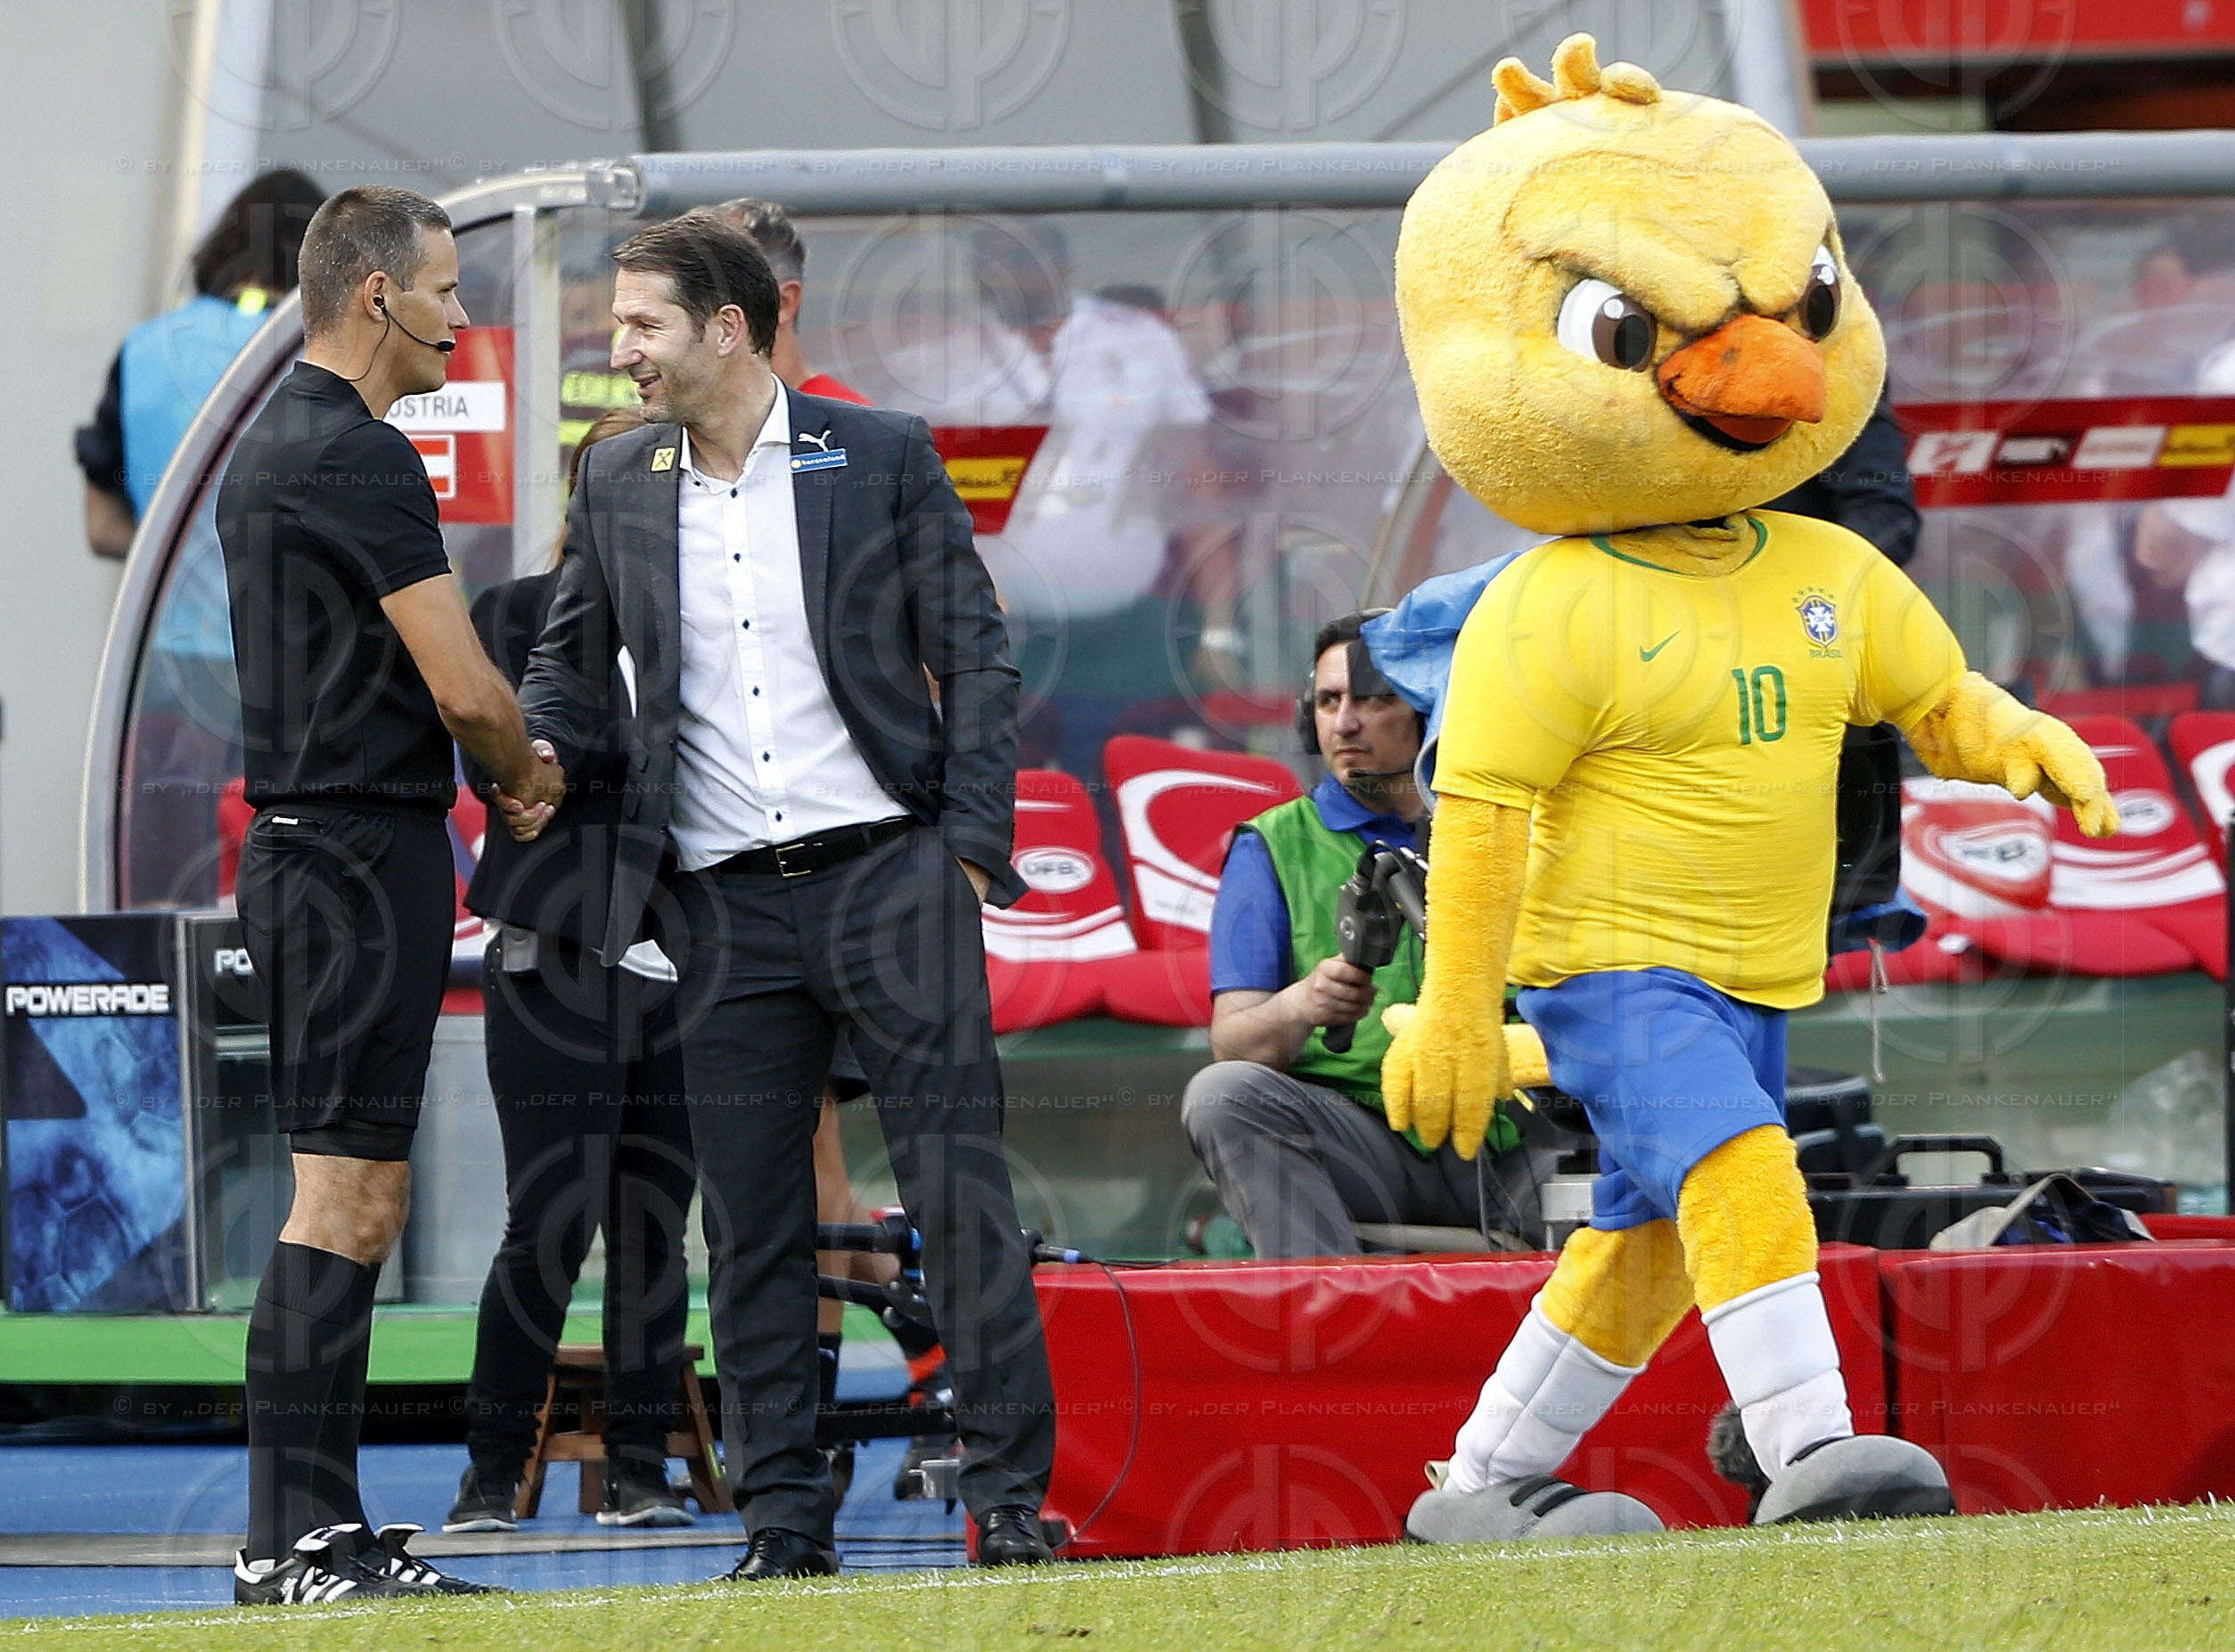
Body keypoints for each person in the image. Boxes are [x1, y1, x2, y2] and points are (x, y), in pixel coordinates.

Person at [518, 211, 1058, 1579]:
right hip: (718, 907)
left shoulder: (879, 455)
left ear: (729, 327)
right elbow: (573, 674)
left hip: (892, 878)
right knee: (750, 1225)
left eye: (641, 324)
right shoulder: (615, 474)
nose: (618, 349)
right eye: (615, 324)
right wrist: (524, 754)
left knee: (961, 1195)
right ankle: (783, 1526)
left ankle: (1009, 1504)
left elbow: (980, 660)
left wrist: (969, 849)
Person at [217, 184, 563, 1605]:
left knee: (347, 1193)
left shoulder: (276, 443)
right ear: (375, 297)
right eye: (444, 292)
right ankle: (291, 1545)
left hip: (327, 855)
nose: (461, 318)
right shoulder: (356, 455)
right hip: (355, 858)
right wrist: (528, 771)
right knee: (344, 1199)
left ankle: (311, 1536)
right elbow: (465, 683)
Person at [715, 192, 956, 1504]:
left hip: (863, 863)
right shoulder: (656, 451)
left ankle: (946, 1380)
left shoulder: (863, 440)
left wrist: (942, 841)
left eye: (709, 300)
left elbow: (947, 648)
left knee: (853, 1156)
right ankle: (837, 1430)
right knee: (782, 1161)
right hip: (728, 877)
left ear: (774, 309)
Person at [442, 405, 700, 1535]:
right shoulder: (518, 613)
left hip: (685, 956)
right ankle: (490, 1476)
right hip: (556, 954)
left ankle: (641, 1471)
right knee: (547, 1220)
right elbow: (517, 752)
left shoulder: (716, 626)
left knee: (655, 1219)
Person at [1183, 612, 1557, 1258]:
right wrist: (1302, 1004)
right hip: (1362, 1146)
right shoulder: (1271, 845)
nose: (1345, 722)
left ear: (1431, 710)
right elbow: (1232, 1040)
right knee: (1222, 1096)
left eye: (1373, 699)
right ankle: (1327, 1329)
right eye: (1328, 701)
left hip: (1514, 1136)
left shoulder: (1514, 829)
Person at [78, 168, 327, 557]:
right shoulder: (328, 352)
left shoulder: (145, 348)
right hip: (298, 610)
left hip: (169, 617)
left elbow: (103, 529)